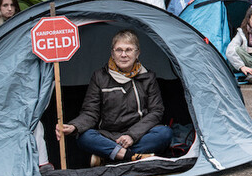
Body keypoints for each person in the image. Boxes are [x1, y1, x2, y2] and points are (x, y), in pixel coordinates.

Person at [56, 30, 173, 166]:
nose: (123, 55)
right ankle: (132, 157)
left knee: (165, 133)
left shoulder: (148, 77)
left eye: (128, 50)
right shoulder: (99, 77)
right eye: (119, 50)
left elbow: (156, 112)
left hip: (139, 134)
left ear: (137, 53)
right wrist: (74, 126)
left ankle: (110, 155)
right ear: (112, 53)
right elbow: (90, 112)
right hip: (109, 136)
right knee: (84, 137)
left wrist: (131, 135)